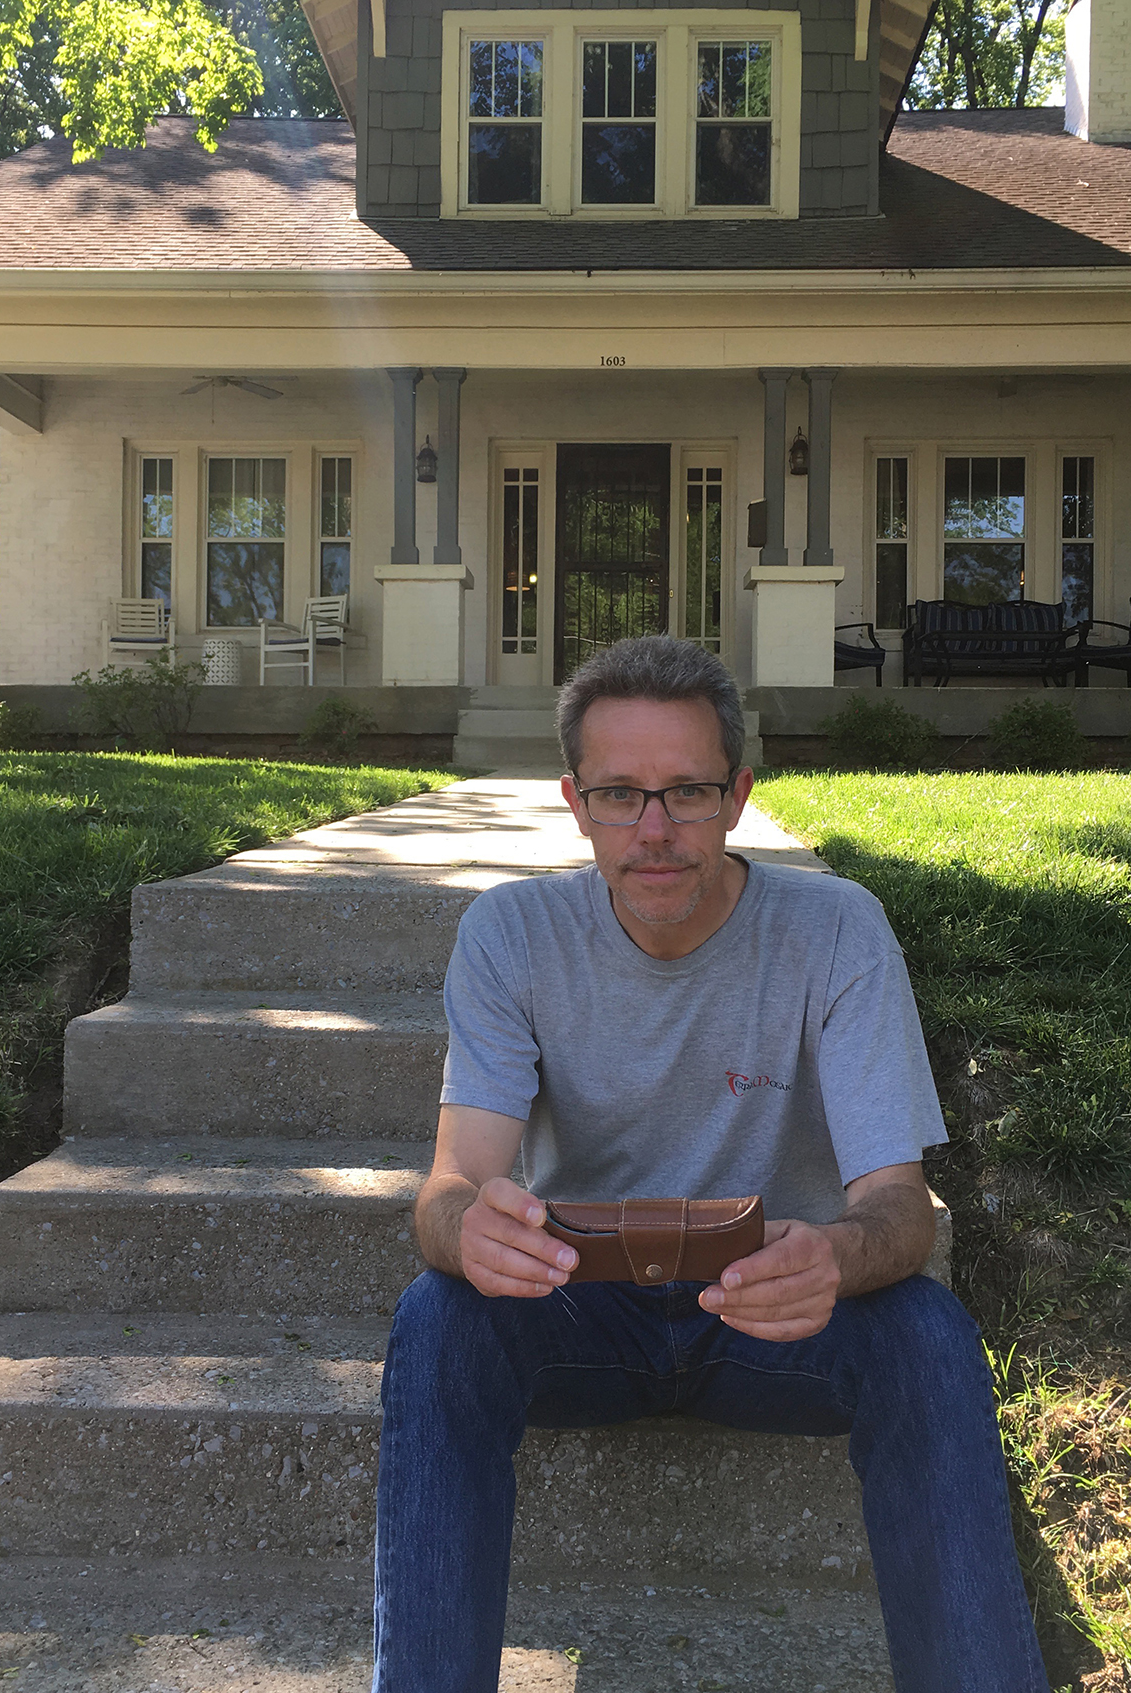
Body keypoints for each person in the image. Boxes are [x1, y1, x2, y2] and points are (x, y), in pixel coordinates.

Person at [372, 636, 1048, 1693]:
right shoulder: (510, 933)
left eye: (686, 791)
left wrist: (835, 1253)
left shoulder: (838, 931)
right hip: (577, 1311)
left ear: (737, 795)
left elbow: (902, 1214)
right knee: (436, 1315)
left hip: (774, 1317)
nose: (653, 830)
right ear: (573, 800)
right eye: (619, 794)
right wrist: (471, 1230)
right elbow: (447, 1190)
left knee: (924, 1332)